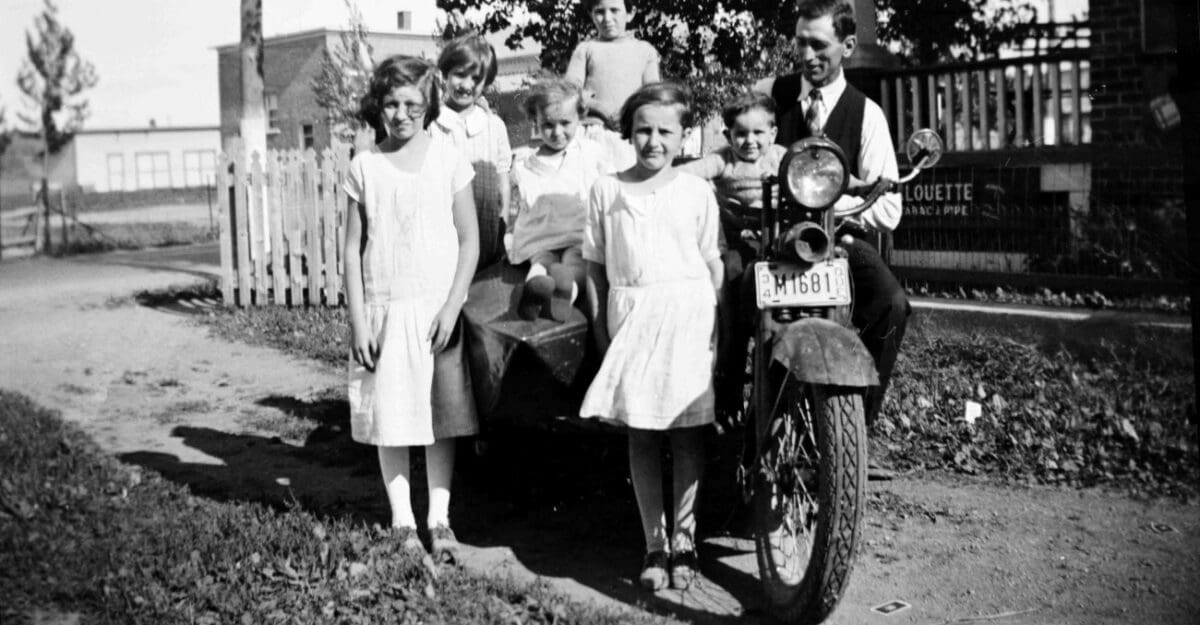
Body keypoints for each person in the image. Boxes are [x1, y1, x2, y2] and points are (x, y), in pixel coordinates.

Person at [753, 0, 909, 478]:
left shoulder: (867, 114)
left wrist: (821, 197)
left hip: (838, 240)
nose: (807, 54)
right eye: (800, 42)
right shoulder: (770, 97)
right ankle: (728, 420)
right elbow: (737, 155)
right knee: (732, 293)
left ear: (847, 46)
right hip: (772, 236)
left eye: (819, 44)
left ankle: (851, 434)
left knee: (891, 303)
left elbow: (887, 207)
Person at [580, 83, 723, 591]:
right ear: (628, 134)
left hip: (687, 314)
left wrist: (716, 322)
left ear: (684, 135)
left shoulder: (695, 191)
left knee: (686, 431)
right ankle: (654, 543)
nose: (653, 141)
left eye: (665, 131)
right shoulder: (605, 189)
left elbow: (712, 262)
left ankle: (685, 541)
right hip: (632, 315)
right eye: (643, 130)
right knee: (642, 431)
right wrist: (600, 333)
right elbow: (595, 269)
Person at [344, 55, 481, 562]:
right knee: (392, 415)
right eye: (391, 104)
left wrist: (452, 304)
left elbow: (470, 240)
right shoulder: (365, 167)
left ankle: (438, 519)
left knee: (437, 417)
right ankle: (402, 519)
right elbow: (352, 252)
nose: (401, 114)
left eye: (413, 105)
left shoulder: (448, 158)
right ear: (377, 107)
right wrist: (359, 320)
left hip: (435, 312)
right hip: (385, 308)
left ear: (430, 107)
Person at [678, 92, 789, 421]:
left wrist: (859, 183)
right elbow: (691, 172)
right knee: (733, 290)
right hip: (739, 242)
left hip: (777, 241)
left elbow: (823, 170)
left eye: (758, 133)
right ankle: (727, 392)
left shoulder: (782, 157)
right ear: (728, 135)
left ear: (773, 133)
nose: (750, 141)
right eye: (741, 133)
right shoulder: (724, 160)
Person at [508, 76, 613, 322]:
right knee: (549, 260)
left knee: (567, 260)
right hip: (542, 236)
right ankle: (539, 291)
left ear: (580, 118)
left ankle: (561, 292)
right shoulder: (525, 162)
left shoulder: (591, 152)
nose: (557, 132)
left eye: (565, 123)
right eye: (548, 125)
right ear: (535, 122)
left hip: (576, 234)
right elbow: (517, 205)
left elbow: (608, 191)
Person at [432, 33, 512, 271]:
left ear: (486, 82)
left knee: (481, 293)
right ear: (444, 75)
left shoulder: (493, 125)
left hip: (485, 227)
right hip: (443, 228)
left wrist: (503, 223)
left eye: (476, 78)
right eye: (459, 74)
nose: (466, 85)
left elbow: (503, 181)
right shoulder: (432, 124)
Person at [566, 0, 661, 125]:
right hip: (594, 127)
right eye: (600, 12)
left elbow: (652, 94)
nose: (607, 18)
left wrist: (627, 115)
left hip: (630, 127)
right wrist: (601, 110)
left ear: (630, 13)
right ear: (591, 15)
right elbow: (570, 91)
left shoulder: (645, 51)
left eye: (614, 10)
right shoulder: (585, 49)